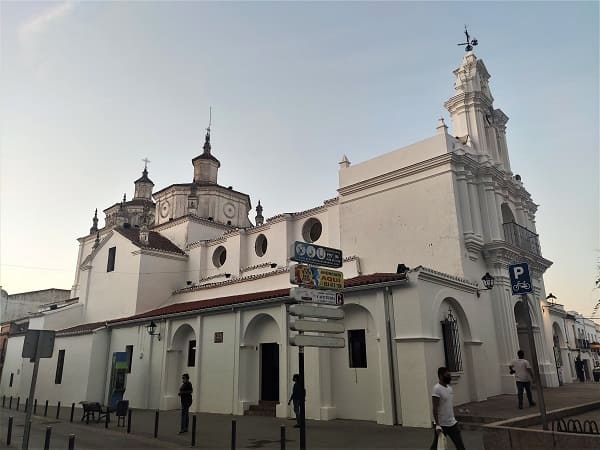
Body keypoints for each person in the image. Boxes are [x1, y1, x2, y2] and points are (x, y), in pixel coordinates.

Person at [430, 367, 466, 450]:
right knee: (436, 446)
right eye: (447, 375)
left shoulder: (449, 388)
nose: (449, 376)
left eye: (449, 374)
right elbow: (435, 408)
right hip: (441, 425)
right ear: (440, 376)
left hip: (452, 423)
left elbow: (448, 405)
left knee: (460, 446)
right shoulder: (437, 389)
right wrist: (438, 425)